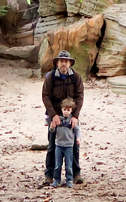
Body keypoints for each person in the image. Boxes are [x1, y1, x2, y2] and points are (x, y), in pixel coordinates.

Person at [42, 50, 84, 186]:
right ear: (57, 63)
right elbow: (45, 96)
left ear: (70, 63)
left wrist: (75, 116)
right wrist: (53, 115)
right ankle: (49, 175)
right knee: (52, 145)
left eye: (66, 61)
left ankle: (76, 174)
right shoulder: (51, 77)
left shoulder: (76, 77)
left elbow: (80, 96)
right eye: (61, 61)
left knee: (74, 145)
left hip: (70, 115)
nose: (64, 64)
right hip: (54, 114)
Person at [51, 98, 81, 188]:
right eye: (64, 109)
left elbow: (77, 130)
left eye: (68, 110)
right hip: (59, 145)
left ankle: (69, 179)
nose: (66, 112)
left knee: (69, 165)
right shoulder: (58, 119)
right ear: (61, 109)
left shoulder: (72, 120)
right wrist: (52, 127)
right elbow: (52, 131)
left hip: (69, 145)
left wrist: (78, 138)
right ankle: (56, 180)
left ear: (71, 110)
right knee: (57, 165)